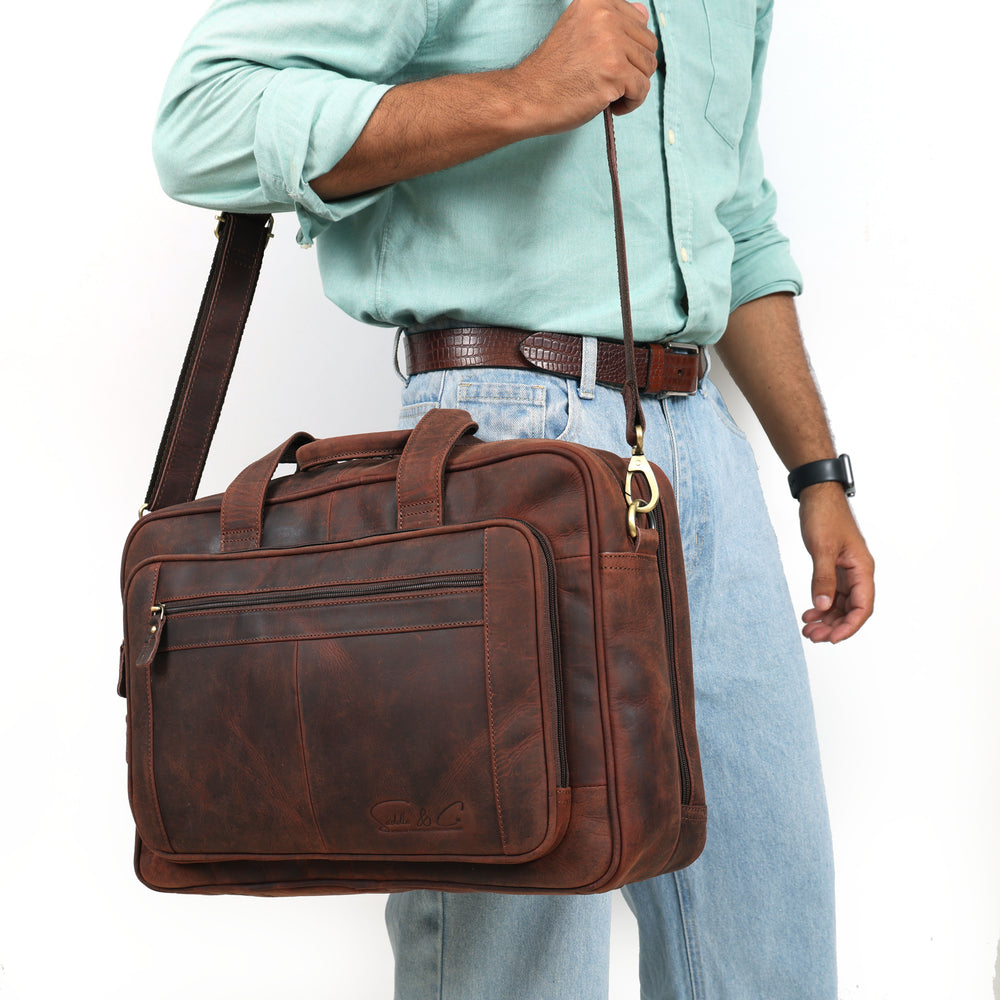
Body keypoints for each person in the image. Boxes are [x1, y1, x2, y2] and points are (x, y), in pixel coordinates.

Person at [153, 0, 875, 996]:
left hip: (698, 440)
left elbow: (735, 220)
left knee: (767, 924)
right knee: (516, 939)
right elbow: (203, 122)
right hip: (505, 426)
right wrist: (521, 94)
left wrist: (816, 474)